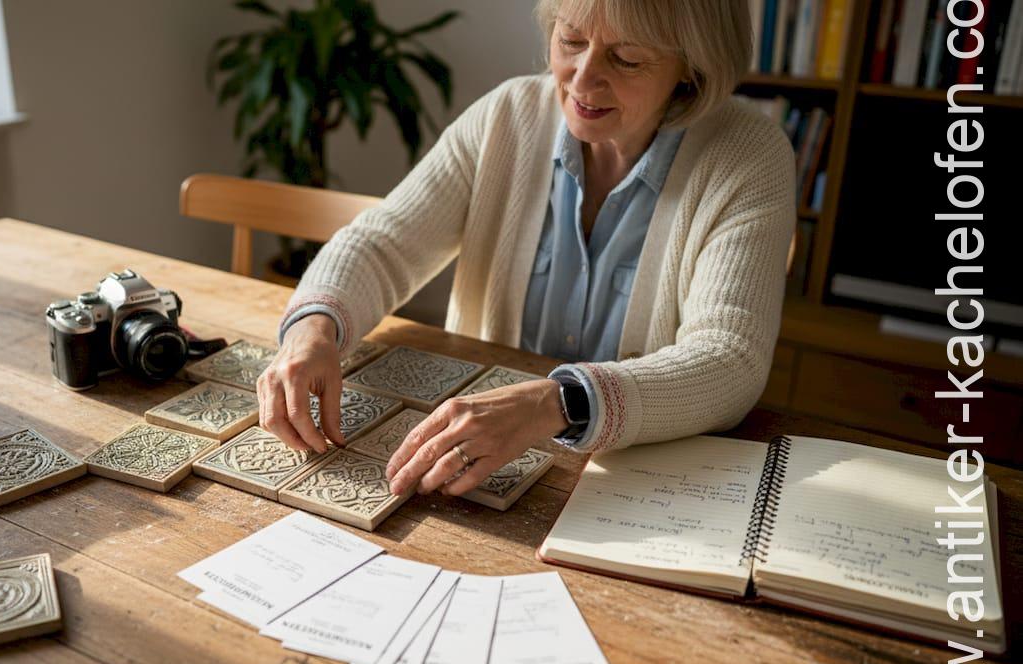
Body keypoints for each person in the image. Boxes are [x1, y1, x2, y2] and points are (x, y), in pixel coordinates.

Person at [256, 0, 795, 499]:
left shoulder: (750, 157)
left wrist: (557, 402)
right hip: (478, 467)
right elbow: (382, 241)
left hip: (637, 486)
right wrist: (313, 328)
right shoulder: (506, 115)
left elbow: (729, 360)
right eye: (572, 40)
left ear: (690, 68)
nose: (583, 78)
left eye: (627, 58)